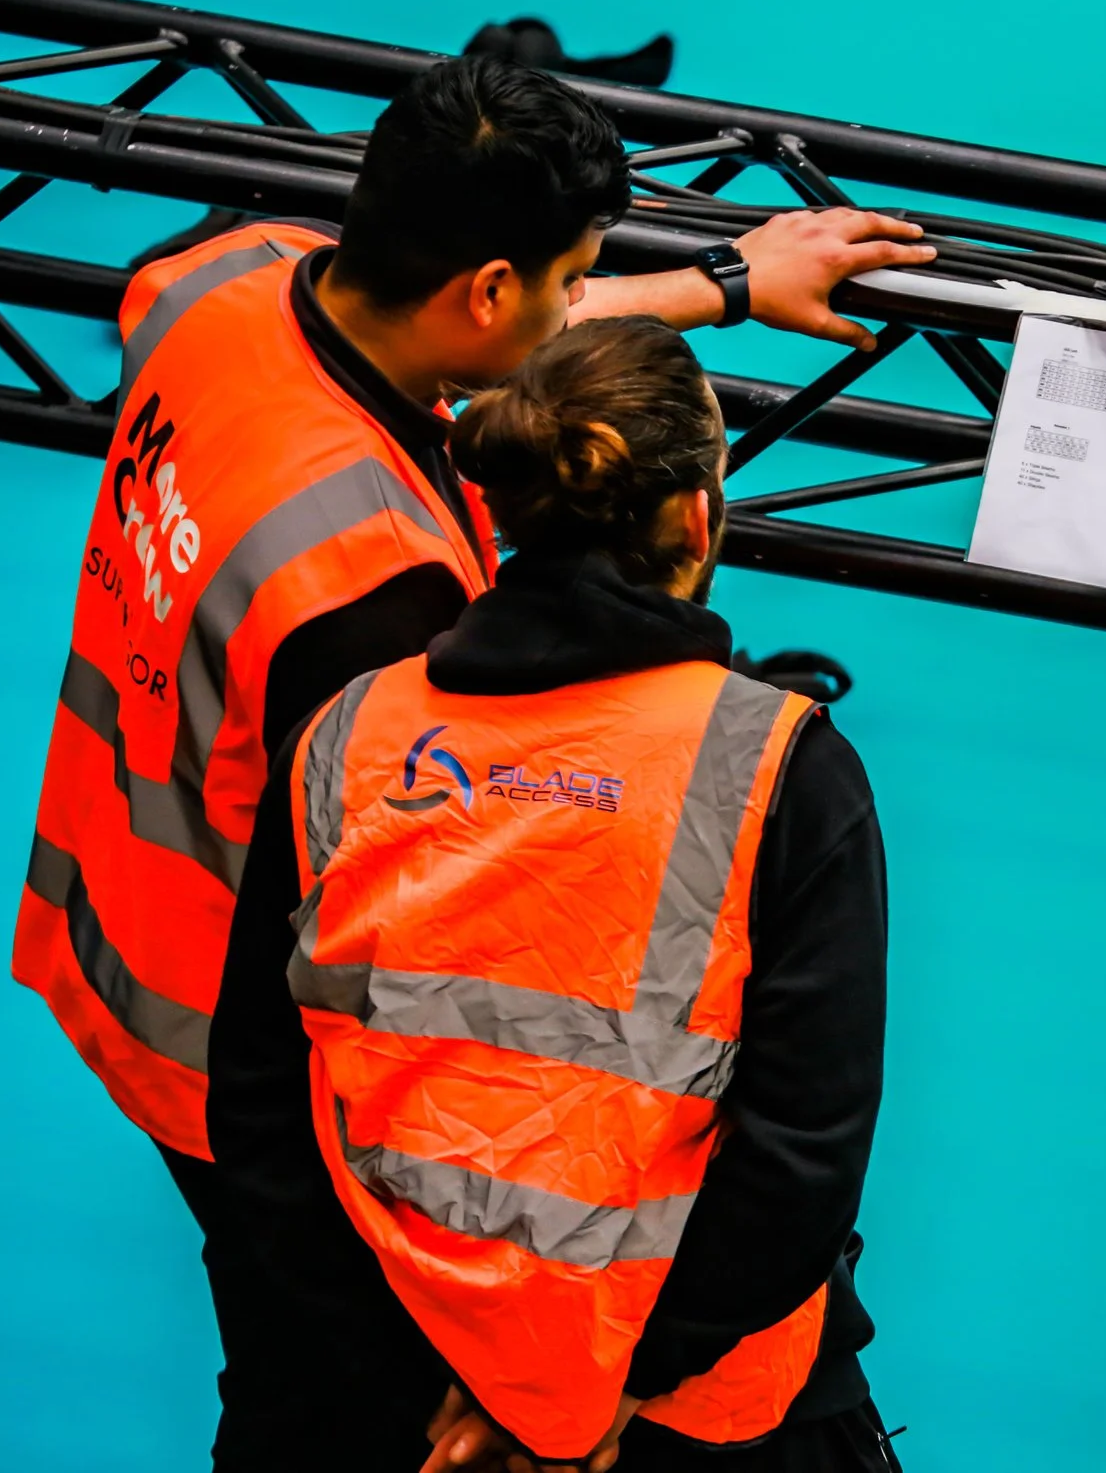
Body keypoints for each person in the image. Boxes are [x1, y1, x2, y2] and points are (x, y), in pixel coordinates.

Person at [12, 52, 929, 1464]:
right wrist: (521, 1392)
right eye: (575, 279)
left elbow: (468, 341)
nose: (578, 301)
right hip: (249, 1053)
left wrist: (720, 286)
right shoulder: (378, 606)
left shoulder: (220, 275)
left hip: (109, 927)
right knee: (361, 1387)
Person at [208, 316, 892, 1471]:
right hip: (673, 1417)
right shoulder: (778, 766)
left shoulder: (347, 732)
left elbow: (259, 1098)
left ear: (505, 510)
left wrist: (426, 1386)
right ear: (694, 514)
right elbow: (803, 1152)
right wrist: (579, 1401)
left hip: (387, 1403)